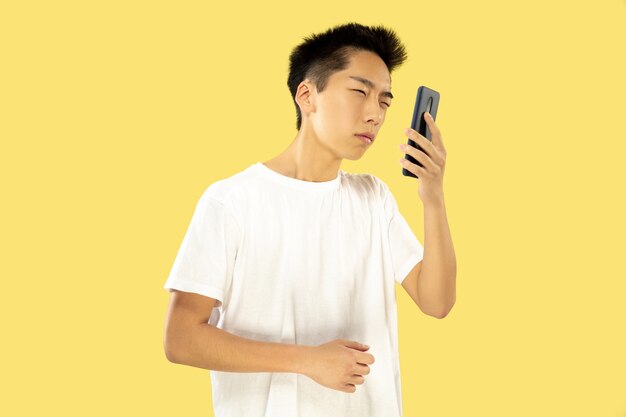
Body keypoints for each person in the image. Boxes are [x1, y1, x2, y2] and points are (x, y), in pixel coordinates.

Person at [163, 22, 456, 417]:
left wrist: (432, 196)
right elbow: (181, 338)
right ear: (307, 95)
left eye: (385, 102)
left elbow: (437, 301)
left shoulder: (374, 199)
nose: (375, 114)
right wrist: (307, 360)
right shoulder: (232, 201)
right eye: (359, 92)